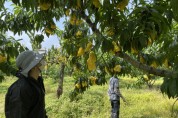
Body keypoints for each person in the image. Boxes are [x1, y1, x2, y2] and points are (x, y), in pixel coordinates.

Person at [5, 50, 48, 118]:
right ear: (33, 66)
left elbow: (39, 109)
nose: (43, 62)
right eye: (39, 61)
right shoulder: (20, 90)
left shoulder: (38, 82)